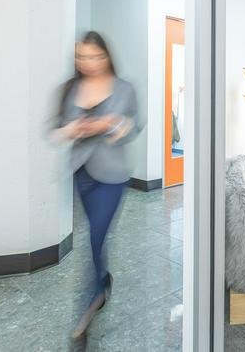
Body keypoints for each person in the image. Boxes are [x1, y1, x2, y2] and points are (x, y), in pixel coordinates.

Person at [55, 31, 141, 337]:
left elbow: (133, 127)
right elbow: (56, 132)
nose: (88, 63)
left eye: (95, 56)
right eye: (82, 57)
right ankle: (103, 278)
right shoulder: (70, 89)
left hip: (113, 176)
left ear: (107, 56)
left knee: (95, 235)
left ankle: (89, 305)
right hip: (82, 174)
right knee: (96, 237)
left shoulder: (124, 88)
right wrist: (74, 129)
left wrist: (111, 124)